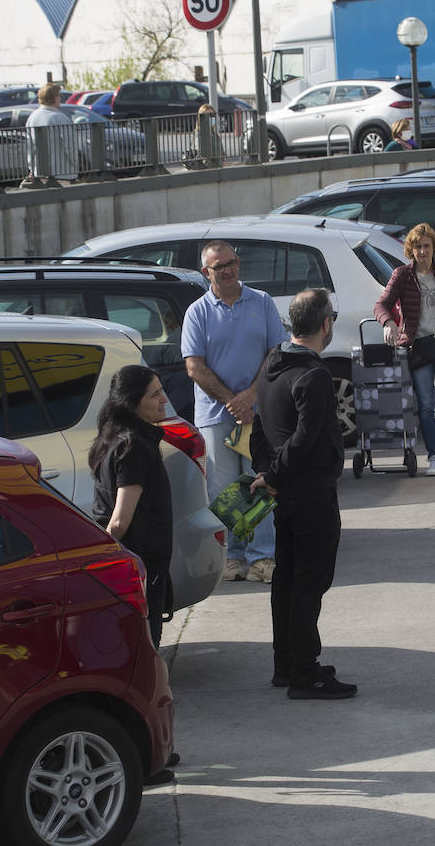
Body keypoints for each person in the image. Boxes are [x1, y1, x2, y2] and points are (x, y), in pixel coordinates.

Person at [248, 288, 356, 700]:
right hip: (310, 493)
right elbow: (306, 437)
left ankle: (288, 663)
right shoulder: (313, 375)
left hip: (287, 492)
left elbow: (260, 430)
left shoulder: (272, 366)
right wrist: (273, 473)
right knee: (309, 582)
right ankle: (305, 672)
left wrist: (267, 472)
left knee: (288, 579)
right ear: (325, 324)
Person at [182, 239, 287, 584]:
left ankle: (262, 558)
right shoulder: (197, 312)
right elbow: (194, 366)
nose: (228, 270)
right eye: (219, 266)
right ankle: (233, 557)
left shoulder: (262, 301)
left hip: (260, 413)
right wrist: (233, 401)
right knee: (224, 490)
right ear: (205, 272)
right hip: (215, 416)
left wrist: (251, 396)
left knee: (260, 483)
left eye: (232, 263)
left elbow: (276, 353)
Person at [374, 223, 435, 477]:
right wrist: (388, 323)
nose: (422, 251)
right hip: (418, 347)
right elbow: (381, 305)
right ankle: (433, 457)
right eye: (417, 246)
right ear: (411, 249)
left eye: (426, 246)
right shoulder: (402, 274)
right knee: (426, 406)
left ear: (434, 248)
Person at [89, 365, 173, 647]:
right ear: (133, 403)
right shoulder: (133, 447)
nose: (164, 399)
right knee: (144, 648)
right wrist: (100, 563)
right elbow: (119, 521)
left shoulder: (116, 438)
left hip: (141, 564)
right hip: (139, 567)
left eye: (161, 390)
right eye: (154, 394)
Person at [23, 82, 77, 186]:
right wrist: (74, 163)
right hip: (62, 172)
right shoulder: (60, 118)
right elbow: (70, 145)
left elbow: (30, 146)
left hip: (40, 172)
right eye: (59, 95)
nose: (61, 98)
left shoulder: (32, 117)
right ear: (54, 97)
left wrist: (32, 168)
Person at [193, 103, 224, 169]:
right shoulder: (199, 133)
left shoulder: (214, 133)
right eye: (208, 115)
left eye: (212, 115)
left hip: (218, 167)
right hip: (207, 168)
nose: (211, 117)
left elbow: (221, 151)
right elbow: (200, 151)